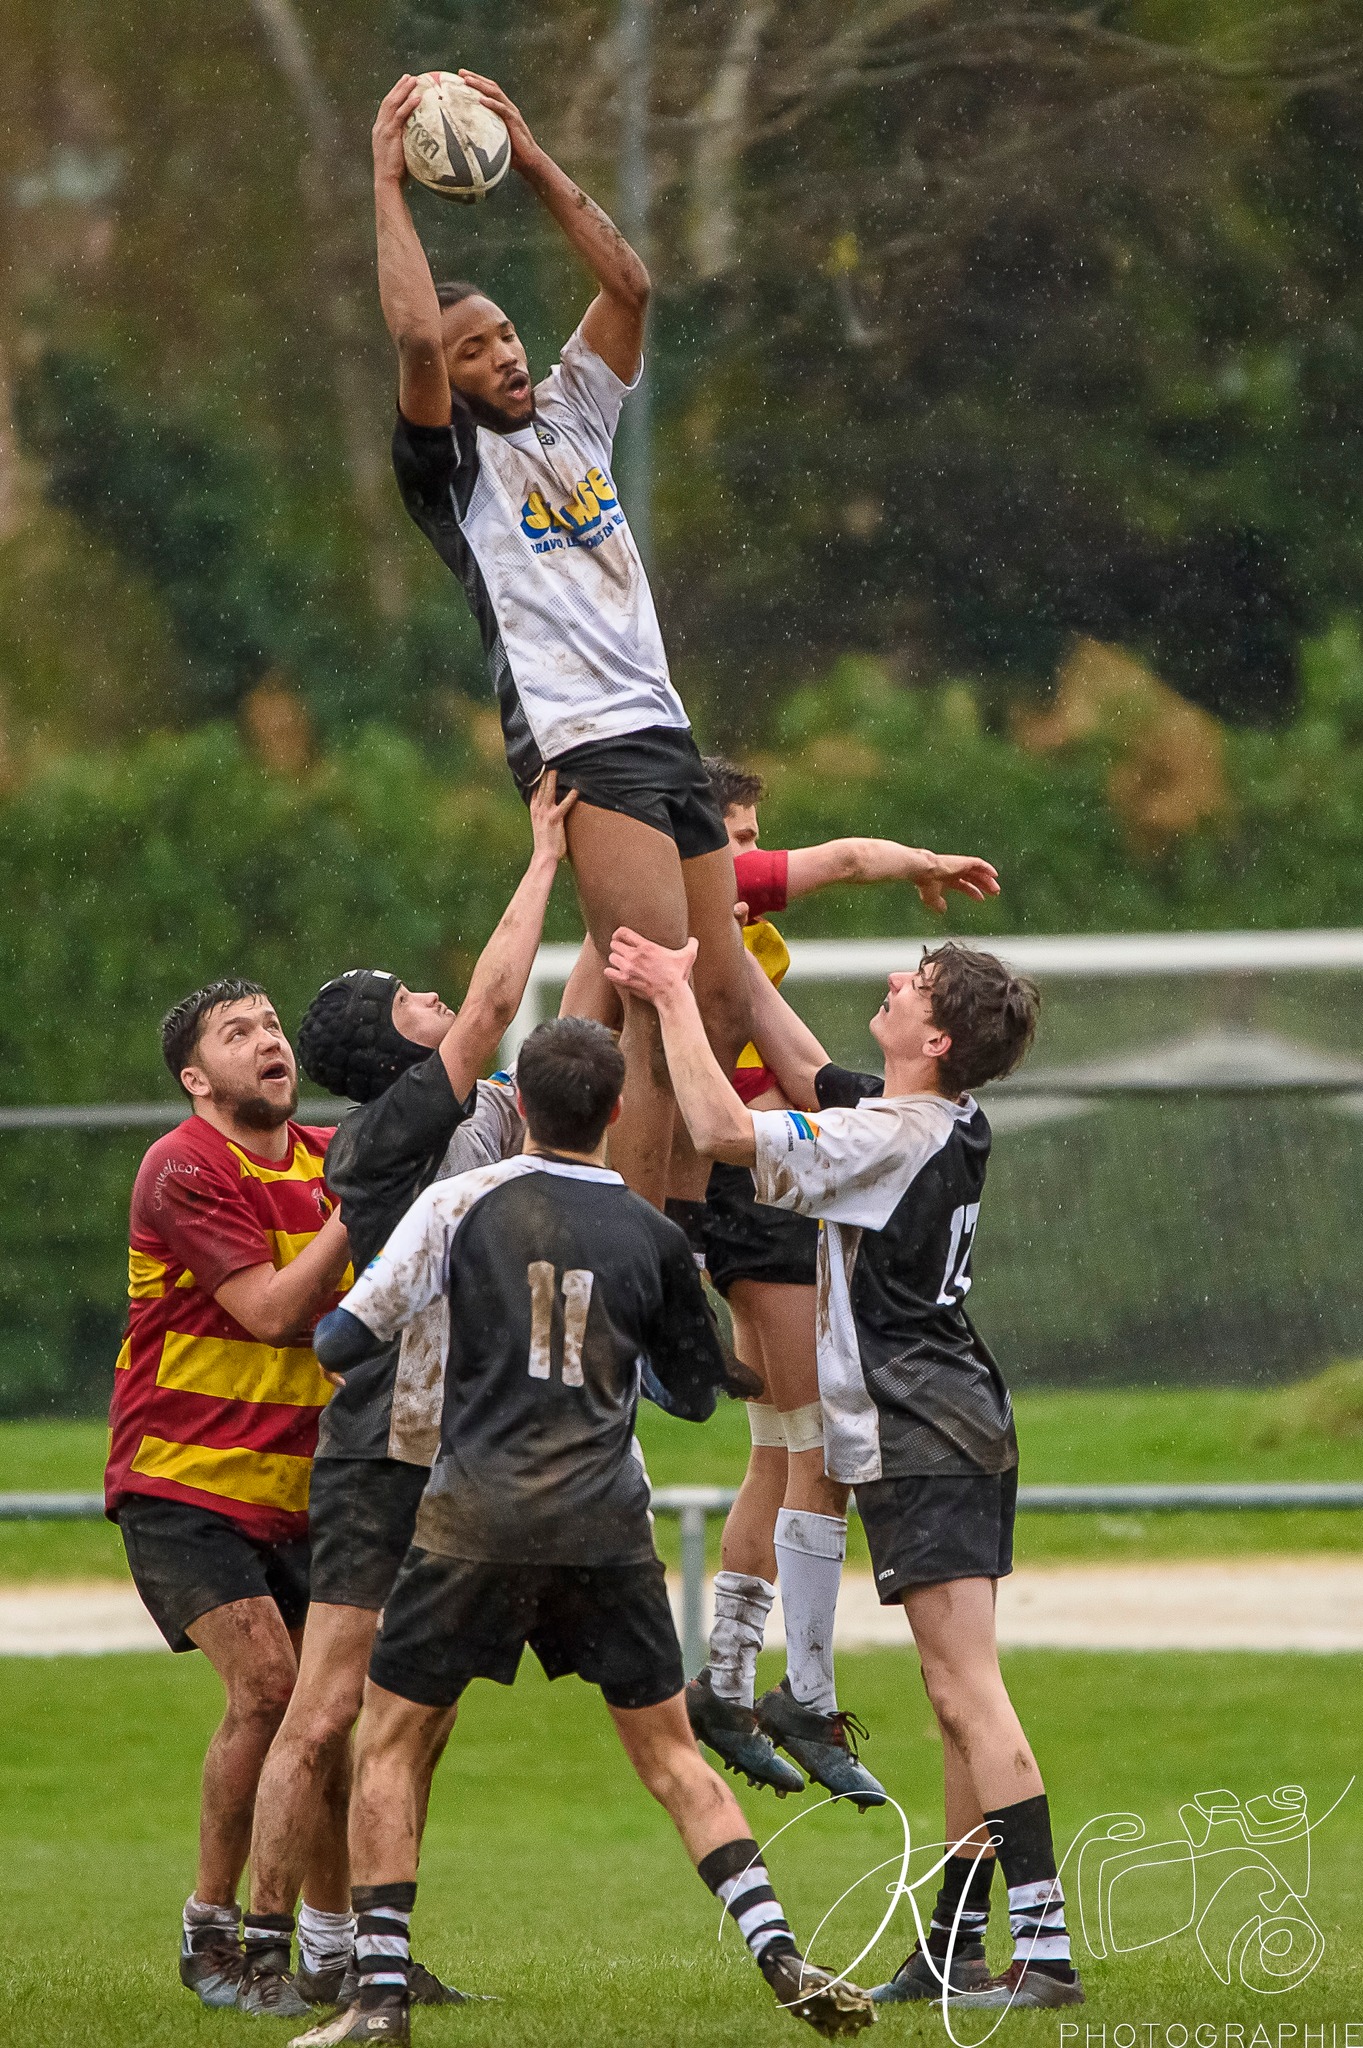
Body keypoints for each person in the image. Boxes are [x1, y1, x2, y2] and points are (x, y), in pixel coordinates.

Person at [291, 1017, 875, 2046]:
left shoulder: (456, 1202)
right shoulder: (650, 1234)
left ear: (521, 1104)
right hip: (605, 1524)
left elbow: (340, 1340)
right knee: (670, 1758)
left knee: (389, 1741)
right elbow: (695, 1396)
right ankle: (781, 1950)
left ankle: (377, 1996)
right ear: (614, 1110)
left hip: (471, 1515)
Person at [606, 929, 1084, 2010]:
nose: (891, 983)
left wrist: (677, 997)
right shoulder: (942, 1111)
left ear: (937, 1034)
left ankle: (1045, 1948)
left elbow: (726, 1127)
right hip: (959, 1418)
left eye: (909, 985)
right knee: (957, 1694)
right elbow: (809, 1067)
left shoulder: (886, 1135)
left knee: (970, 1691)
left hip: (924, 1430)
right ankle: (956, 1944)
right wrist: (720, 927)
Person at [565, 757, 1000, 1807]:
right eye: (740, 829)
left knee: (784, 1444)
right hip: (748, 1180)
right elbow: (846, 856)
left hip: (737, 1173)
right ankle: (794, 1685)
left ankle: (725, 1682)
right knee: (817, 1443)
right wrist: (922, 863)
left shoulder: (673, 912)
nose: (753, 846)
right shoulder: (712, 887)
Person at [370, 69, 749, 1210]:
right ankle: (627, 1255)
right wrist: (386, 181)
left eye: (504, 334)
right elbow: (411, 340)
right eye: (475, 349)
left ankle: (675, 1233)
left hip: (663, 728)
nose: (503, 355)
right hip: (584, 744)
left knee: (719, 1003)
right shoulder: (454, 471)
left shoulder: (576, 411)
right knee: (654, 997)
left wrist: (530, 160)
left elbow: (631, 282)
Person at [232, 775, 575, 2019]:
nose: (432, 996)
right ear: (394, 1046)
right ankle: (260, 1954)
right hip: (383, 1441)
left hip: (459, 1448)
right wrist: (542, 855)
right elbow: (492, 998)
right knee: (322, 1710)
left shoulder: (481, 1107)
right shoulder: (391, 1123)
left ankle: (358, 1948)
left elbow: (558, 1039)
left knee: (412, 1716)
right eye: (405, 1000)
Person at [104, 981, 354, 2011]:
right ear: (196, 1078)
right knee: (268, 1685)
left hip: (300, 1490)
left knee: (329, 1717)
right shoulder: (184, 1165)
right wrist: (373, 1206)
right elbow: (271, 1311)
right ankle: (213, 1939)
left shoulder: (332, 1158)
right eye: (237, 1032)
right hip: (181, 1483)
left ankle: (340, 1956)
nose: (268, 1041)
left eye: (271, 1025)